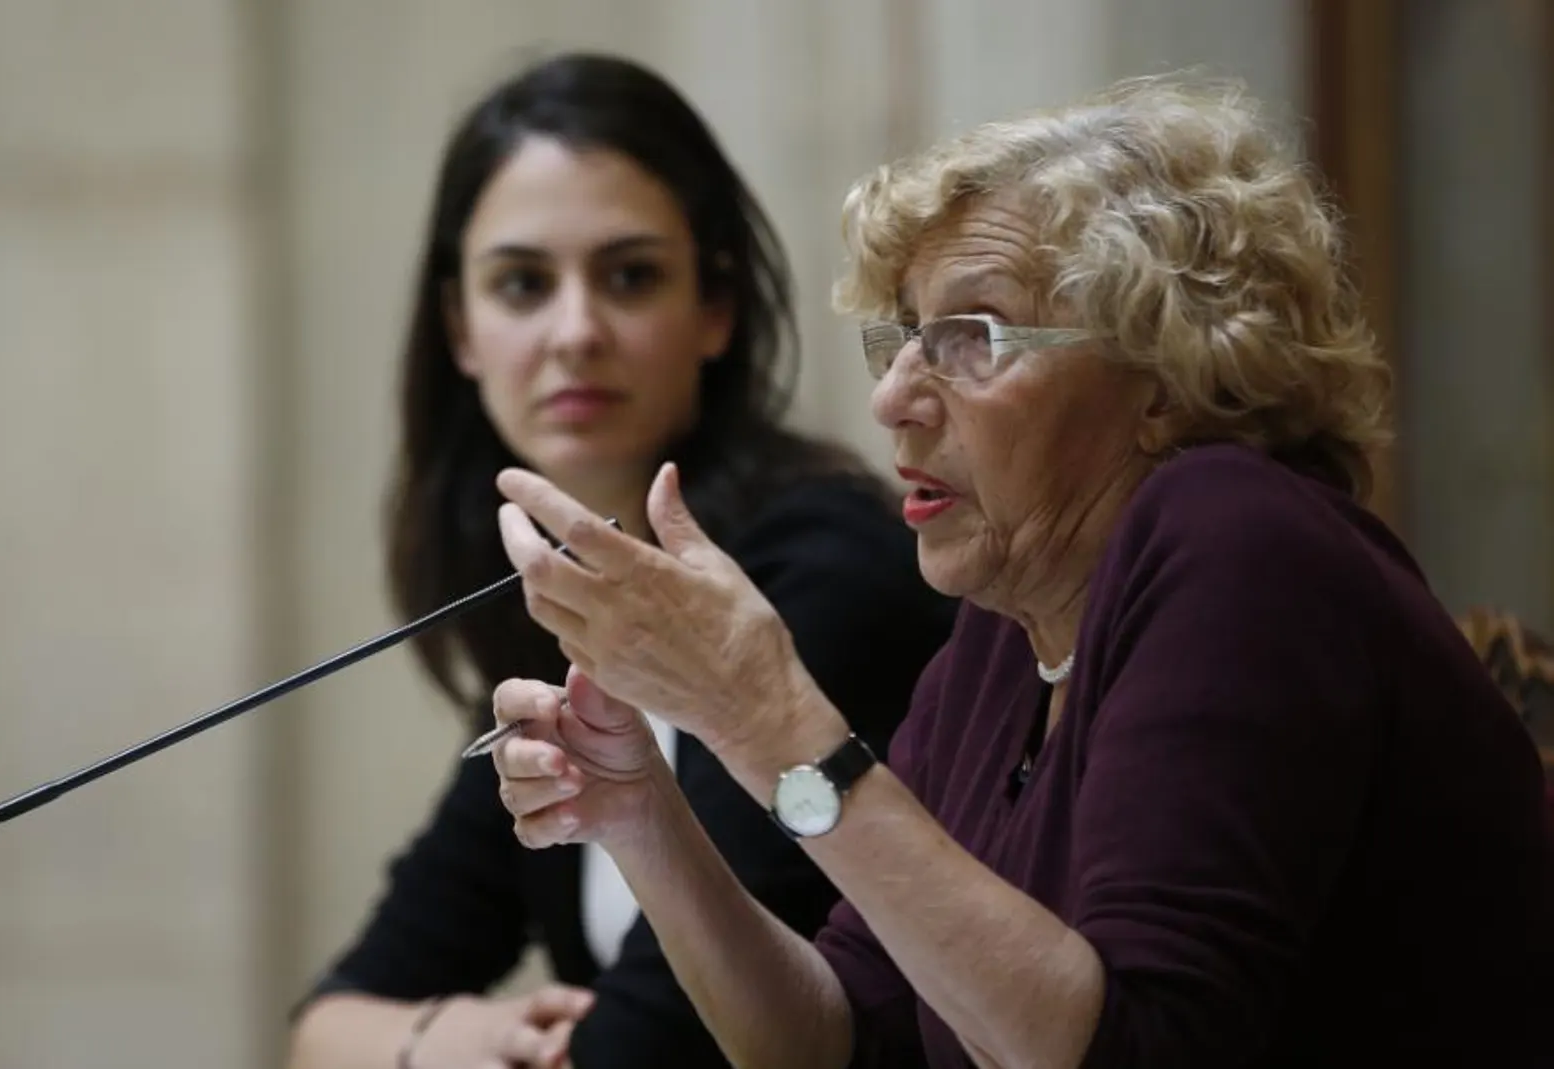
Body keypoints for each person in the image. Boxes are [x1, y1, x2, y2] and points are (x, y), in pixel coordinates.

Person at [485, 73, 1554, 1069]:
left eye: (970, 335)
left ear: (1166, 379)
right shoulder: (1006, 635)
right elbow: (835, 1038)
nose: (893, 397)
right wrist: (643, 817)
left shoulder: (1241, 542)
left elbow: (1136, 1046)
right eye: (903, 338)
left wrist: (766, 708)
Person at [284, 52, 959, 1069]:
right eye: (521, 284)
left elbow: (672, 1043)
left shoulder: (822, 576)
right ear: (460, 328)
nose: (576, 332)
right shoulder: (558, 596)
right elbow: (325, 1024)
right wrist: (451, 1039)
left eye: (629, 275)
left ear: (716, 309)